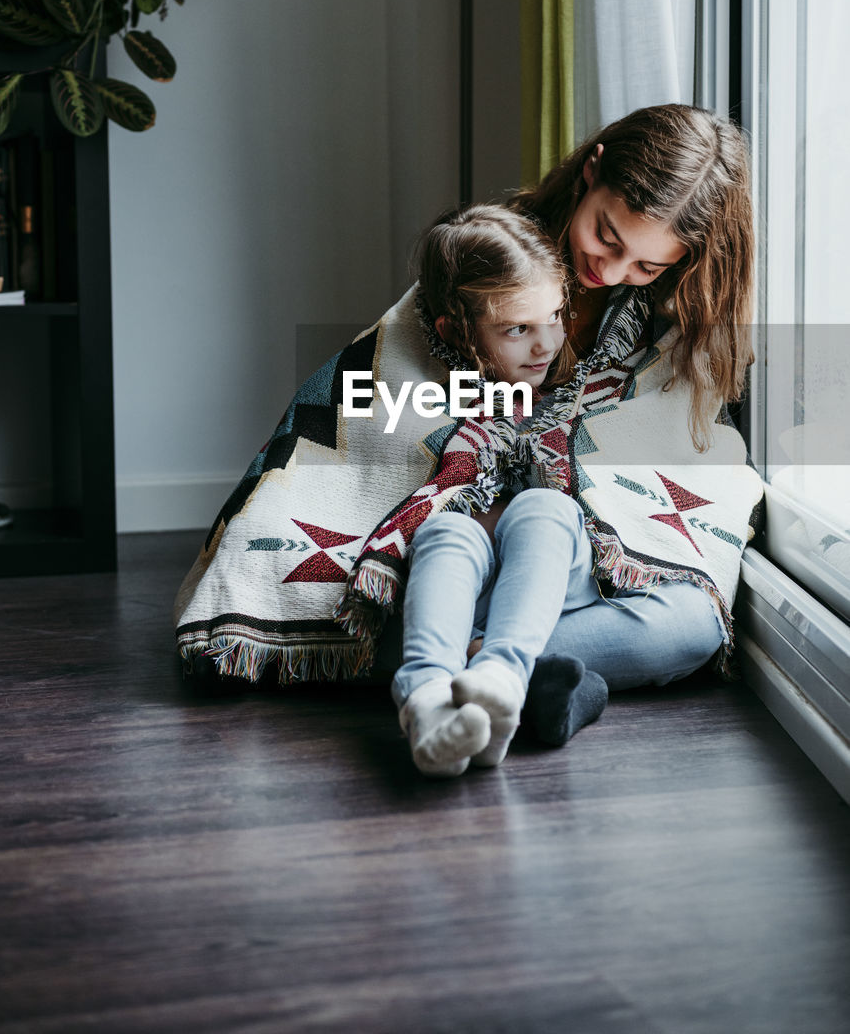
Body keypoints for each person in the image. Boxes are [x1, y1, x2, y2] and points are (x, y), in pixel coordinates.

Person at [175, 104, 763, 784]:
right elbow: (381, 401)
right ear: (590, 170)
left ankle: (464, 673)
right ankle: (528, 679)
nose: (613, 268)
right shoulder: (490, 255)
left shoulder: (671, 317)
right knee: (355, 589)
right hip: (447, 557)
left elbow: (673, 440)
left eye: (646, 264)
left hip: (567, 571)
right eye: (605, 236)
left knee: (688, 623)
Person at [393, 205, 610, 777]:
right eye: (518, 329)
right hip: (465, 591)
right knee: (445, 529)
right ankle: (432, 703)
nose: (546, 345)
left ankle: (500, 674)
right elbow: (380, 478)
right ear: (455, 332)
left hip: (560, 580)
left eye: (555, 317)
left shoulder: (577, 389)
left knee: (544, 506)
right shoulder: (427, 396)